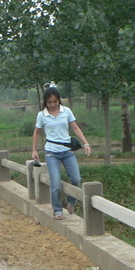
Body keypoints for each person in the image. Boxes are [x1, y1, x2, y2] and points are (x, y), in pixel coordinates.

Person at [31, 87, 91, 220]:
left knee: (76, 179)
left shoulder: (66, 111)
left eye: (55, 102)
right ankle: (57, 210)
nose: (52, 105)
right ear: (45, 102)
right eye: (50, 102)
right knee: (56, 183)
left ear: (59, 100)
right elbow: (37, 132)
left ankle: (71, 201)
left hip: (68, 151)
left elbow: (75, 127)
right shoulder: (42, 115)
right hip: (52, 152)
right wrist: (34, 150)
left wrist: (85, 143)